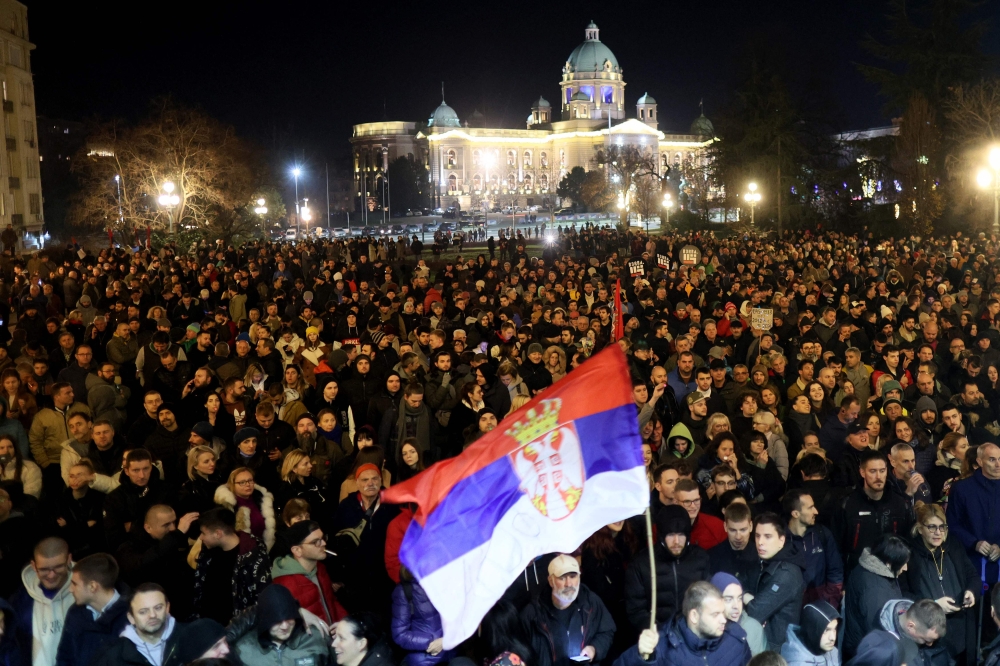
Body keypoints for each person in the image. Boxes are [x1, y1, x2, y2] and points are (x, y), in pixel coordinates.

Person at [901, 502, 978, 664]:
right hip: (928, 633)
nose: (938, 533)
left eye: (942, 527)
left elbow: (972, 575)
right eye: (932, 527)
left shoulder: (954, 545)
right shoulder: (909, 554)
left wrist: (971, 591)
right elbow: (903, 595)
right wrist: (934, 605)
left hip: (960, 628)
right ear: (920, 528)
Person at [613, 581, 751, 666]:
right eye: (715, 614)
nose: (723, 620)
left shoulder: (737, 639)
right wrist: (641, 656)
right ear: (694, 616)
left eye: (723, 612)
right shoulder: (660, 647)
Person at [624, 504, 711, 632]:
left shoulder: (701, 559)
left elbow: (708, 601)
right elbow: (636, 611)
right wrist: (662, 633)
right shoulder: (642, 564)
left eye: (681, 534)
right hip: (657, 638)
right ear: (661, 536)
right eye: (670, 535)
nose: (676, 541)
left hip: (694, 634)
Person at [521, 554, 616, 666]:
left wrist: (594, 649)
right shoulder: (533, 614)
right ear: (551, 581)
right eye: (562, 577)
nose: (569, 584)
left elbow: (607, 631)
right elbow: (520, 652)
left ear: (579, 577)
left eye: (573, 576)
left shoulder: (591, 603)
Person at [831, 450, 912, 575]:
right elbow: (836, 547)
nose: (878, 477)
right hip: (855, 574)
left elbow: (907, 543)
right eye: (873, 471)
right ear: (862, 472)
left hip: (891, 575)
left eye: (882, 471)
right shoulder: (847, 504)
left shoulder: (900, 504)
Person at [192, 507, 271, 625]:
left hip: (236, 629)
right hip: (207, 626)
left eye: (203, 533)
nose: (201, 537)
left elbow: (260, 598)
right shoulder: (208, 552)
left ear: (218, 533)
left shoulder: (252, 557)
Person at [743, 512, 806, 651]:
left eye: (768, 537)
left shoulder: (787, 574)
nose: (760, 542)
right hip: (764, 644)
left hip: (777, 650)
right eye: (758, 535)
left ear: (781, 540)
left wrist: (745, 597)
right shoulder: (764, 561)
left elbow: (755, 611)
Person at [842, 535, 911, 660]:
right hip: (868, 654)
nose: (906, 568)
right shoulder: (875, 589)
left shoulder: (870, 569)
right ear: (889, 563)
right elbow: (879, 630)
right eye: (903, 563)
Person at [55, 553, 130, 666]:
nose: (70, 589)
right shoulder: (75, 613)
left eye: (75, 584)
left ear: (92, 586)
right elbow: (64, 657)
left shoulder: (134, 616)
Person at [10, 537, 75, 666]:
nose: (51, 575)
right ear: (33, 566)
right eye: (44, 569)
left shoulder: (88, 591)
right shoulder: (20, 602)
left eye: (58, 567)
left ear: (69, 560)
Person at [947, 442, 1000, 594]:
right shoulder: (962, 488)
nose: (998, 464)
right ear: (979, 461)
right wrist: (974, 543)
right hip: (971, 563)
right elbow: (952, 523)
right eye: (992, 459)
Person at [232, 584, 330, 666]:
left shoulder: (316, 638)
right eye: (277, 621)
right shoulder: (243, 650)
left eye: (289, 618)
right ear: (265, 620)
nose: (285, 626)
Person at [271, 519, 347, 624]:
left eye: (323, 538)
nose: (324, 543)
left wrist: (346, 623)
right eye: (316, 542)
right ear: (297, 550)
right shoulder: (284, 584)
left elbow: (332, 602)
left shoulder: (320, 569)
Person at [783, 490, 844, 606]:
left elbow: (836, 571)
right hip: (791, 609)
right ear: (795, 514)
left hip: (821, 606)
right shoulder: (780, 539)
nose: (816, 511)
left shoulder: (822, 534)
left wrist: (828, 602)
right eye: (810, 508)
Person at [94, 584, 179, 666]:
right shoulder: (111, 656)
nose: (152, 615)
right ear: (131, 618)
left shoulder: (189, 638)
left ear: (167, 608)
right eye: (143, 612)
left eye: (158, 608)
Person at [391, 565, 454, 666]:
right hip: (427, 659)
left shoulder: (444, 581)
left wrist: (447, 639)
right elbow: (400, 634)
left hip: (452, 651)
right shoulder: (404, 591)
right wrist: (432, 641)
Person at [214, 466, 277, 550]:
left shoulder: (261, 499)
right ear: (233, 485)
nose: (248, 485)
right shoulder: (227, 505)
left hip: (263, 549)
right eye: (242, 482)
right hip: (239, 552)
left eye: (250, 481)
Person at [876, 598, 950, 666]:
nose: (930, 644)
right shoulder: (884, 650)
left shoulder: (920, 618)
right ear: (911, 626)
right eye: (926, 640)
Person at [711, 572, 767, 656]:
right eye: (729, 599)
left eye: (739, 598)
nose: (736, 606)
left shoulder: (753, 629)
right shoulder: (706, 628)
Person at [708, 501, 759, 586]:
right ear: (725, 527)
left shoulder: (761, 556)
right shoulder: (711, 557)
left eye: (743, 530)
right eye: (733, 530)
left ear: (751, 526)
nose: (738, 536)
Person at [780, 601, 841, 666]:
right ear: (812, 630)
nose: (833, 638)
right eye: (826, 630)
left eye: (835, 629)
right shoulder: (797, 663)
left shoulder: (832, 651)